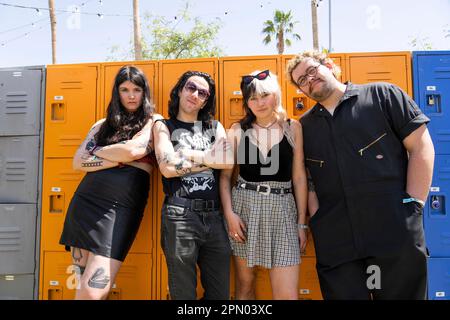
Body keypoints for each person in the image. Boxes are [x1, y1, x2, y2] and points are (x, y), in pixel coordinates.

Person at [286, 51, 435, 300]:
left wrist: (414, 205)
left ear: (330, 66)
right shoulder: (305, 126)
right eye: (302, 80)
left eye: (312, 70)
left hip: (394, 229)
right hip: (337, 241)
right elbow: (308, 179)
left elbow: (421, 148)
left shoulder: (383, 95)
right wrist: (319, 220)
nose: (309, 79)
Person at [59, 65, 162, 300]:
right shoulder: (101, 125)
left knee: (93, 290)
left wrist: (97, 151)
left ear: (145, 92)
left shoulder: (153, 121)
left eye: (137, 89)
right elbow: (78, 162)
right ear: (117, 93)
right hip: (86, 204)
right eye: (125, 90)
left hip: (122, 208)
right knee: (83, 286)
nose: (131, 95)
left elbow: (134, 151)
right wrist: (118, 157)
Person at [220, 70, 308, 300]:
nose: (259, 103)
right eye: (252, 98)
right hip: (244, 209)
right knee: (245, 286)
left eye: (264, 95)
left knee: (287, 295)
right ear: (246, 102)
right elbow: (225, 178)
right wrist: (229, 214)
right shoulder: (238, 130)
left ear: (276, 95)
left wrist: (301, 224)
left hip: (283, 210)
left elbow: (299, 178)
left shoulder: (293, 128)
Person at [153, 71, 233, 300]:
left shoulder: (213, 127)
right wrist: (209, 158)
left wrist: (187, 153)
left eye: (202, 93)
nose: (195, 94)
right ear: (180, 90)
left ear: (206, 100)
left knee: (220, 295)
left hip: (215, 217)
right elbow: (167, 168)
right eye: (190, 87)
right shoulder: (163, 125)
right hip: (180, 214)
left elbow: (227, 161)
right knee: (183, 293)